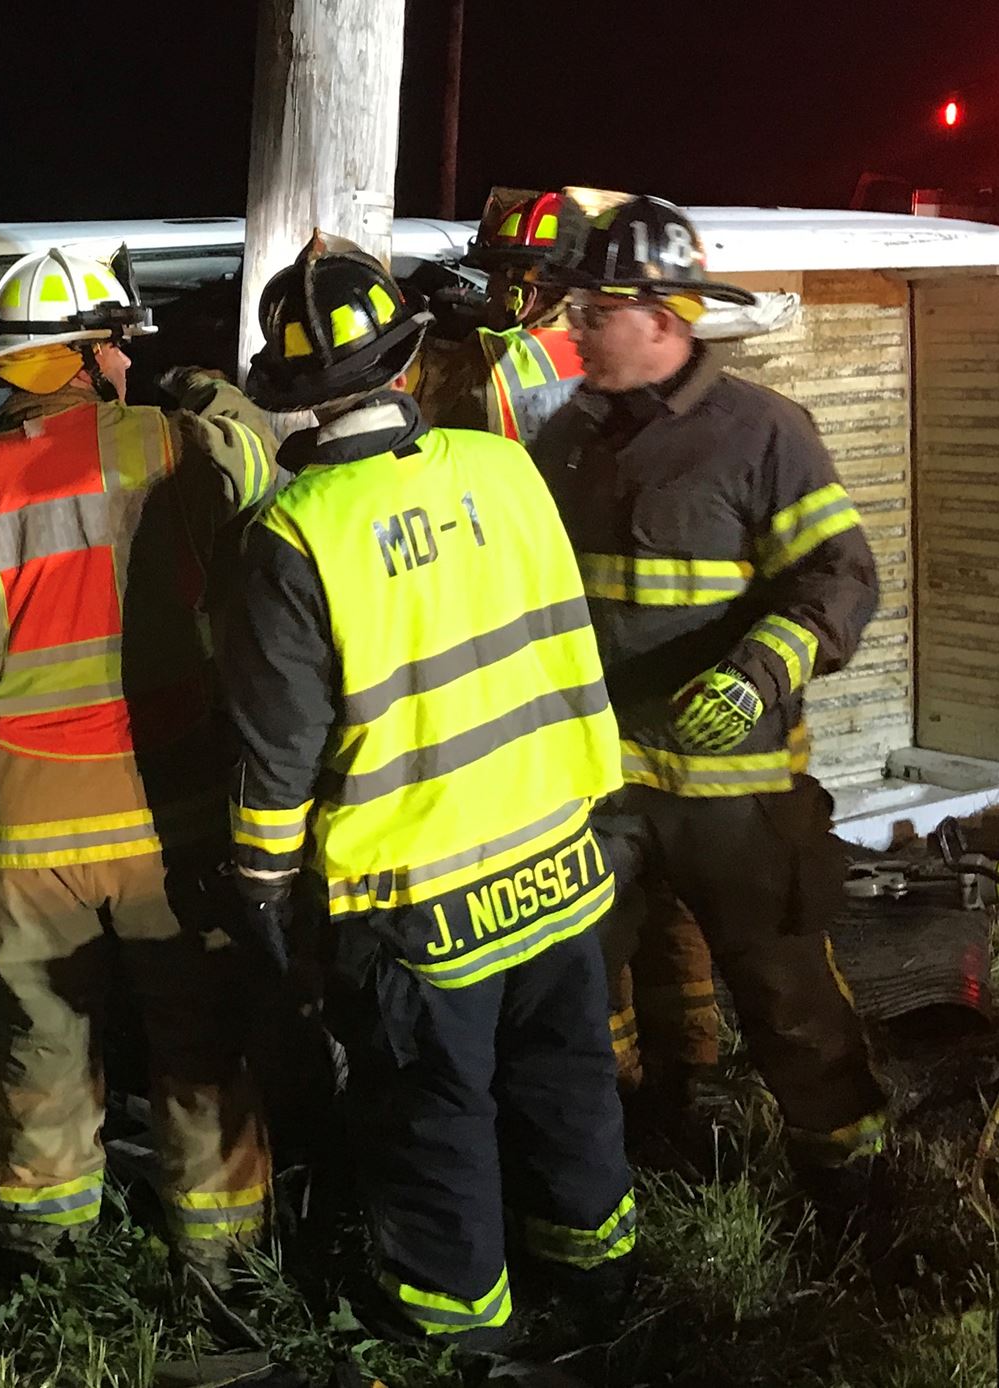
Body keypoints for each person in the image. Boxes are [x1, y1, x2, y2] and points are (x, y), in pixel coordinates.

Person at [221, 234, 634, 1347]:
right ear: (404, 366)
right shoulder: (503, 468)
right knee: (566, 1079)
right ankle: (597, 1275)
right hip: (557, 851)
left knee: (430, 1112)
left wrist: (260, 890)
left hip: (418, 897)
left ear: (299, 401)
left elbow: (277, 753)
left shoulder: (291, 533)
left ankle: (454, 1326)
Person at [0, 246, 278, 1278]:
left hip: (22, 827)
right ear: (101, 350)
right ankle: (221, 1260)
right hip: (170, 813)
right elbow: (258, 477)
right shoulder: (172, 446)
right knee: (199, 1036)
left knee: (35, 1046)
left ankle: (40, 1251)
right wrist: (198, 381)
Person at [525, 193, 888, 1193]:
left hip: (735, 784)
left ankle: (846, 1174)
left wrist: (756, 668)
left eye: (591, 312)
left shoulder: (762, 431)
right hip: (604, 779)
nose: (573, 328)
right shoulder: (562, 443)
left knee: (782, 985)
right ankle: (649, 1128)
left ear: (660, 319)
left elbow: (838, 578)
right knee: (590, 973)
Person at [411, 187, 588, 443]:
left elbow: (417, 391)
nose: (489, 291)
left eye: (494, 277)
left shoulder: (499, 363)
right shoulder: (595, 342)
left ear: (523, 295)